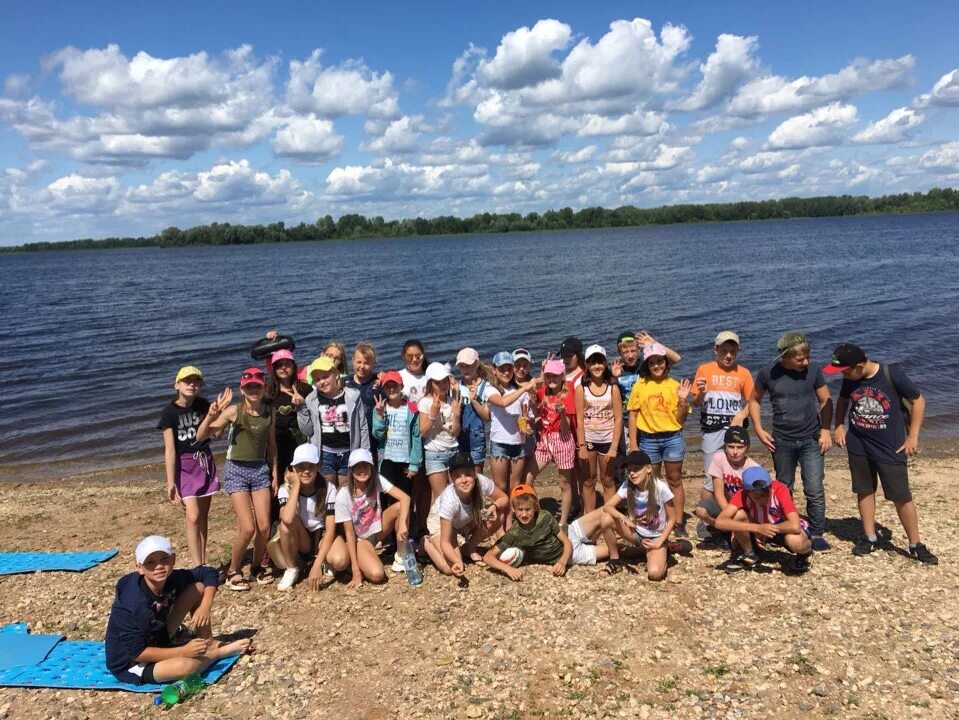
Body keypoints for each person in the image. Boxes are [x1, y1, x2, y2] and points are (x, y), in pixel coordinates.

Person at [827, 343, 938, 564]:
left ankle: (915, 544)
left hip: (890, 446)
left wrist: (913, 436)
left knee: (901, 496)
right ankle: (869, 537)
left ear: (860, 366)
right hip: (859, 444)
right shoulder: (851, 378)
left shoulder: (890, 373)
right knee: (864, 490)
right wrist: (838, 425)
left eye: (845, 371)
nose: (842, 376)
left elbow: (918, 400)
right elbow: (843, 400)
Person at [105, 535, 251, 686]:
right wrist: (183, 651)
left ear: (173, 559)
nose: (159, 566)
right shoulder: (131, 603)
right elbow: (138, 653)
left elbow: (207, 572)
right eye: (150, 562)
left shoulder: (171, 577)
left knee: (198, 587)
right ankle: (216, 653)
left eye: (164, 559)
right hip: (132, 662)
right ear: (139, 568)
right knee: (186, 667)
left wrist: (205, 606)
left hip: (158, 636)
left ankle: (209, 642)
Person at [748, 331, 833, 552]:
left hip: (811, 439)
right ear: (785, 357)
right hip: (782, 441)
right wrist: (758, 429)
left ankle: (817, 533)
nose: (805, 362)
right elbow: (754, 400)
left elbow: (825, 400)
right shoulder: (768, 373)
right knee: (784, 487)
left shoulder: (813, 370)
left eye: (807, 356)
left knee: (814, 488)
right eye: (800, 359)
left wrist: (826, 430)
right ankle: (787, 528)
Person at [196, 367, 276, 590]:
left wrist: (274, 472)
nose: (253, 390)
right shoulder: (233, 411)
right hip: (236, 470)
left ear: (264, 388)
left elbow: (272, 445)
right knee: (248, 528)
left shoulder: (269, 412)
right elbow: (202, 436)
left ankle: (256, 567)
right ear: (242, 389)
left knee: (264, 526)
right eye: (249, 387)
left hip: (260, 469)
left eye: (257, 386)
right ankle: (233, 569)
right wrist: (211, 414)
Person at [483, 484, 622, 580]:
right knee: (617, 549)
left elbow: (567, 542)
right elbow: (488, 557)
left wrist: (562, 563)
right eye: (520, 510)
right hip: (573, 555)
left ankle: (632, 531)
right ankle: (635, 549)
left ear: (535, 507)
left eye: (528, 509)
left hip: (571, 531)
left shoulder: (545, 516)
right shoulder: (514, 533)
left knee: (604, 510)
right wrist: (509, 570)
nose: (524, 514)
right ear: (513, 509)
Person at [626, 343, 693, 538]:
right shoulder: (641, 384)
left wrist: (683, 400)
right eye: (652, 363)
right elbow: (633, 415)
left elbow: (680, 420)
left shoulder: (675, 386)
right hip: (648, 440)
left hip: (672, 438)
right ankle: (655, 519)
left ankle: (678, 523)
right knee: (651, 481)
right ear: (647, 365)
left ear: (666, 363)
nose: (656, 366)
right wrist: (633, 444)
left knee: (675, 479)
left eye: (660, 361)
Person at [158, 366, 219, 567]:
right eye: (187, 381)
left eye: (196, 382)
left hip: (204, 462)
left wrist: (216, 415)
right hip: (184, 467)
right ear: (177, 385)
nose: (192, 385)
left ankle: (203, 562)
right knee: (192, 516)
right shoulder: (169, 413)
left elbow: (216, 434)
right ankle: (197, 566)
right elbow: (169, 450)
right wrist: (170, 482)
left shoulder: (203, 405)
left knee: (203, 517)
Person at [273, 443, 347, 591]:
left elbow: (330, 529)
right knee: (285, 525)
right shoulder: (285, 489)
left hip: (322, 535)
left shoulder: (328, 488)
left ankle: (321, 560)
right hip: (301, 538)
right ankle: (292, 568)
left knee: (341, 561)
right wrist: (295, 486)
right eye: (300, 467)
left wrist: (316, 565)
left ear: (318, 467)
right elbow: (287, 519)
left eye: (311, 466)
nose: (306, 471)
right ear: (293, 468)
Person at [421, 452, 508, 576]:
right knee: (449, 568)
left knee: (499, 515)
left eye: (468, 474)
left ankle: (469, 547)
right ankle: (426, 543)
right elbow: (445, 542)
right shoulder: (448, 500)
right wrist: (457, 561)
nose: (464, 480)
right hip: (441, 523)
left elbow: (504, 498)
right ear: (451, 478)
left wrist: (494, 506)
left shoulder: (481, 482)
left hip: (465, 519)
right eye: (458, 476)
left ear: (474, 473)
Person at [715, 466, 814, 575]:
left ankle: (805, 553)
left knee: (796, 541)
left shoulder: (780, 490)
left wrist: (767, 529)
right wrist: (757, 528)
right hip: (760, 526)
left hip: (782, 526)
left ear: (770, 486)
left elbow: (795, 526)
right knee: (738, 515)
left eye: (766, 495)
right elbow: (719, 522)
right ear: (748, 492)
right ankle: (749, 554)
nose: (762, 500)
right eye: (757, 498)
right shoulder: (742, 495)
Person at [335, 449, 412, 588]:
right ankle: (355, 561)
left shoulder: (376, 479)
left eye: (366, 465)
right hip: (360, 539)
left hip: (376, 531)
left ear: (372, 467)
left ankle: (401, 555)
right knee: (377, 575)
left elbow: (405, 498)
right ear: (351, 470)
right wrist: (356, 571)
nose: (362, 470)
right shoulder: (343, 494)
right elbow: (349, 533)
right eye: (357, 467)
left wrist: (402, 524)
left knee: (401, 507)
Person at [602, 450, 681, 581]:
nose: (632, 473)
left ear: (648, 469)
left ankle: (666, 549)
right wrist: (623, 517)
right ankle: (614, 560)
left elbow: (673, 518)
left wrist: (659, 543)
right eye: (629, 470)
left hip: (656, 536)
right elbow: (607, 507)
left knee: (654, 574)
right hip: (636, 533)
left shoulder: (660, 487)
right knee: (605, 519)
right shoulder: (627, 486)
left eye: (636, 469)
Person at [295, 355, 370, 489]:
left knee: (345, 491)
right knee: (327, 491)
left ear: (336, 375)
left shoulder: (353, 396)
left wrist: (364, 454)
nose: (322, 382)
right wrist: (301, 408)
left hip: (349, 452)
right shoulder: (311, 400)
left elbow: (362, 426)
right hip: (325, 454)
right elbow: (307, 430)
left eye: (325, 377)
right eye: (317, 379)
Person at [690, 330, 753, 486]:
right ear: (715, 350)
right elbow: (696, 403)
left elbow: (753, 401)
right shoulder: (704, 369)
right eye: (724, 351)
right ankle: (713, 501)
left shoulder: (744, 373)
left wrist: (741, 416)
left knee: (735, 474)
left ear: (738, 351)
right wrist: (702, 393)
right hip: (711, 429)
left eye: (733, 351)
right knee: (711, 478)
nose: (728, 355)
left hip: (735, 430)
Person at [485, 352, 539, 524]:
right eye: (502, 369)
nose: (506, 372)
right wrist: (524, 387)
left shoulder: (520, 392)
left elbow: (524, 416)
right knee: (500, 488)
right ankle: (498, 524)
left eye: (509, 368)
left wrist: (526, 423)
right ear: (494, 370)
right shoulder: (491, 389)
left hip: (518, 444)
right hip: (499, 444)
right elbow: (502, 402)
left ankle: (509, 522)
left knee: (514, 487)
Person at [526, 358, 577, 526]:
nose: (552, 379)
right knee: (528, 477)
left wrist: (562, 414)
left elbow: (566, 428)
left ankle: (562, 523)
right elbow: (533, 395)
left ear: (562, 376)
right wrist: (540, 376)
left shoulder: (567, 394)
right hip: (544, 439)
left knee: (564, 483)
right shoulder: (543, 391)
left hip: (562, 439)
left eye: (555, 375)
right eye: (549, 376)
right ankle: (538, 516)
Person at [575, 344, 622, 515]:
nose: (596, 366)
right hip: (588, 440)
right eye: (592, 362)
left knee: (607, 480)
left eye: (600, 362)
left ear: (605, 363)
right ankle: (590, 517)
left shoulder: (612, 388)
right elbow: (580, 420)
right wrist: (581, 446)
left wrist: (614, 447)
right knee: (589, 481)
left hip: (607, 440)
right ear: (587, 365)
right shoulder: (581, 389)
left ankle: (609, 518)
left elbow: (618, 419)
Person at [693, 427, 759, 547]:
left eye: (740, 447)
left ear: (747, 448)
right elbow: (718, 493)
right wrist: (728, 519)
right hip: (726, 504)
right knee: (701, 510)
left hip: (744, 509)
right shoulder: (719, 458)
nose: (735, 452)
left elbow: (754, 502)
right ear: (725, 447)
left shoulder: (753, 468)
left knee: (740, 520)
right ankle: (724, 529)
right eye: (731, 446)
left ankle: (736, 531)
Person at [418, 362, 462, 502]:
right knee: (441, 499)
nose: (443, 385)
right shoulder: (425, 402)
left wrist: (456, 415)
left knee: (458, 496)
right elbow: (423, 432)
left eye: (445, 381)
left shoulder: (452, 401)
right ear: (430, 383)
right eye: (438, 382)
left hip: (454, 451)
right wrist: (433, 414)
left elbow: (455, 433)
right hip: (435, 454)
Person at [265, 349, 312, 478]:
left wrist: (303, 403)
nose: (283, 368)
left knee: (302, 475)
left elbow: (315, 413)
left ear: (293, 366)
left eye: (287, 364)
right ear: (273, 369)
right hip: (277, 441)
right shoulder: (269, 392)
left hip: (300, 440)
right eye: (279, 365)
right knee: (279, 477)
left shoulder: (304, 388)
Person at [455, 347, 493, 475]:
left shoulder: (486, 387)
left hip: (477, 437)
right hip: (460, 436)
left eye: (468, 366)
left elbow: (486, 417)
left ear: (476, 364)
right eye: (462, 366)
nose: (465, 369)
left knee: (477, 473)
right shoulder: (457, 387)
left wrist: (474, 400)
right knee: (462, 471)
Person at [345, 342, 382, 463]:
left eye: (366, 363)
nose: (362, 366)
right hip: (351, 435)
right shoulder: (345, 383)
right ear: (353, 361)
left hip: (373, 435)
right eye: (359, 362)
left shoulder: (379, 382)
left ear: (373, 363)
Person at [399, 339, 429, 405]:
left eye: (418, 356)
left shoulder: (430, 375)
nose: (414, 359)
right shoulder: (398, 376)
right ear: (403, 357)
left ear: (423, 356)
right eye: (410, 356)